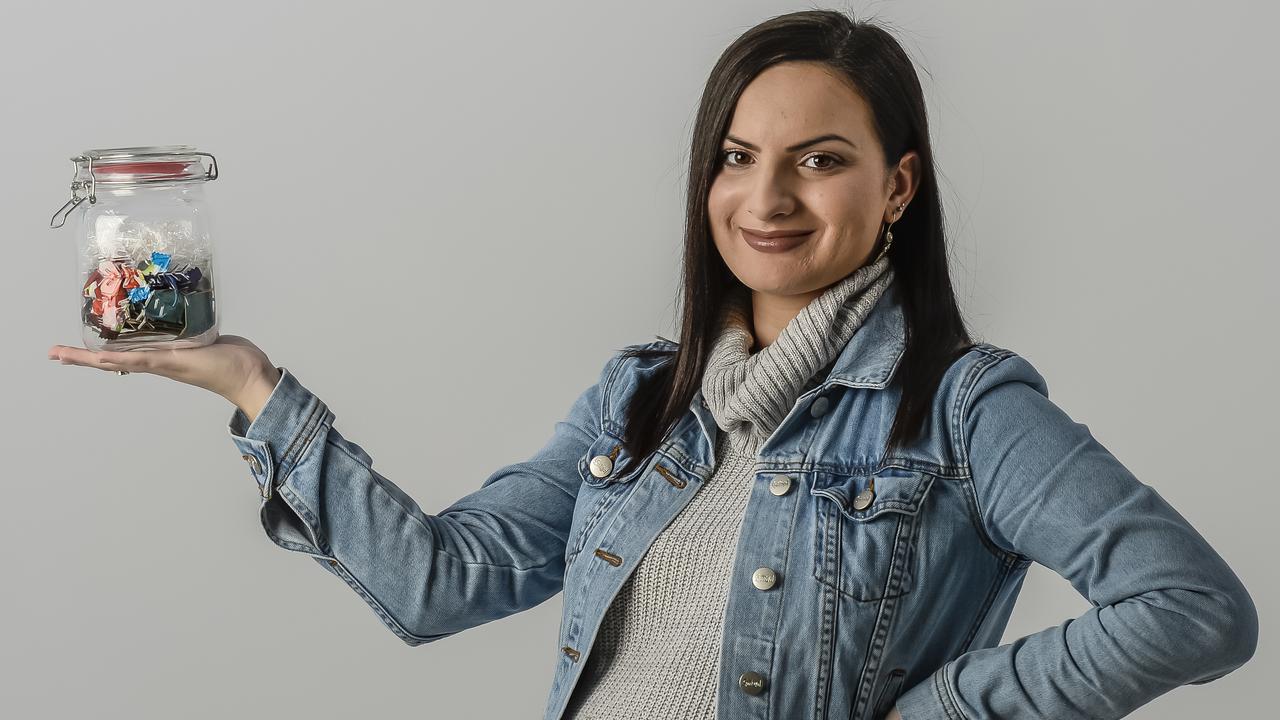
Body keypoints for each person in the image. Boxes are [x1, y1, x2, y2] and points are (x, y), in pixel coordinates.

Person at [47, 9, 1257, 720]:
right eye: (736, 156)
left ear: (896, 186)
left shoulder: (958, 407)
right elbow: (441, 584)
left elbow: (1190, 609)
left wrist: (932, 712)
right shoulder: (641, 398)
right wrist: (255, 387)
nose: (767, 197)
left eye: (820, 160)